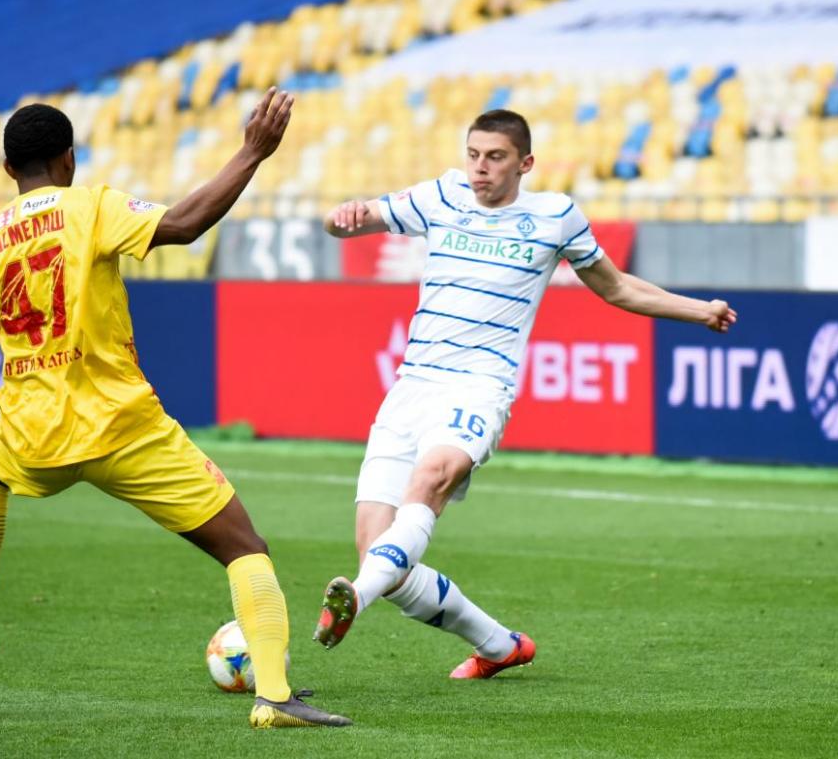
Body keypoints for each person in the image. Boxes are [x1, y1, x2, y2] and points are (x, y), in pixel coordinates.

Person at [0, 87, 350, 729]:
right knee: (245, 547)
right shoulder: (91, 207)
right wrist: (251, 153)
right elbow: (185, 224)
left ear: (9, 169)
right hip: (122, 429)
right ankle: (274, 696)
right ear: (69, 159)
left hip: (32, 436)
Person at [313, 109, 737, 679]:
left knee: (433, 476)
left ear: (525, 163)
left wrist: (698, 310)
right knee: (379, 558)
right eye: (473, 155)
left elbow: (616, 287)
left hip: (479, 388)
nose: (480, 168)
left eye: (495, 157)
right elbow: (350, 223)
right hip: (411, 388)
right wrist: (342, 218)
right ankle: (499, 645)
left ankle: (354, 601)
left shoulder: (554, 216)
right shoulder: (440, 195)